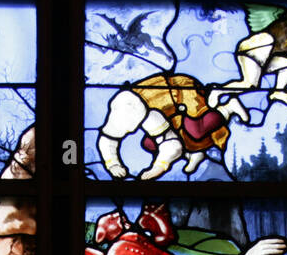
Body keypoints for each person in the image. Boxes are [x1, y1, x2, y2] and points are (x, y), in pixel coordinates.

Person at [96, 73, 249, 180]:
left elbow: (172, 144)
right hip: (171, 114)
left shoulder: (146, 111)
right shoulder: (121, 112)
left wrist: (159, 167)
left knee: (196, 131)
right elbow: (108, 140)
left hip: (181, 93)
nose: (131, 129)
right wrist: (113, 164)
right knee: (149, 143)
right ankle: (192, 154)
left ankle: (227, 108)